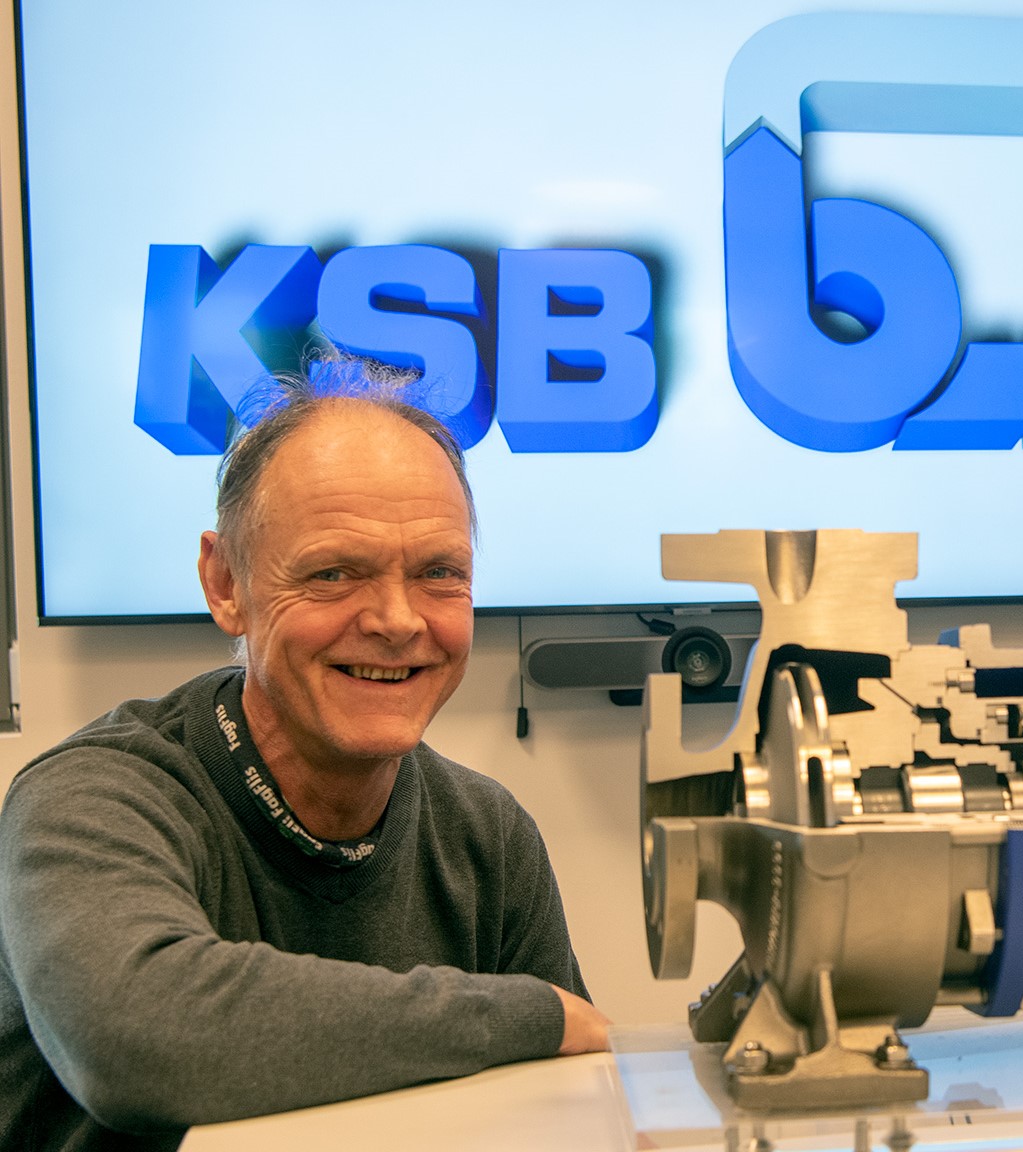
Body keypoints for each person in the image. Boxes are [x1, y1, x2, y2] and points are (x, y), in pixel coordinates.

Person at [0, 372, 612, 1151]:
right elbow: (134, 1035)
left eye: (439, 573)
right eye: (333, 573)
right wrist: (535, 1011)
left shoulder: (486, 834)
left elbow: (565, 1114)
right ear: (227, 586)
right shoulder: (93, 800)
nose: (397, 620)